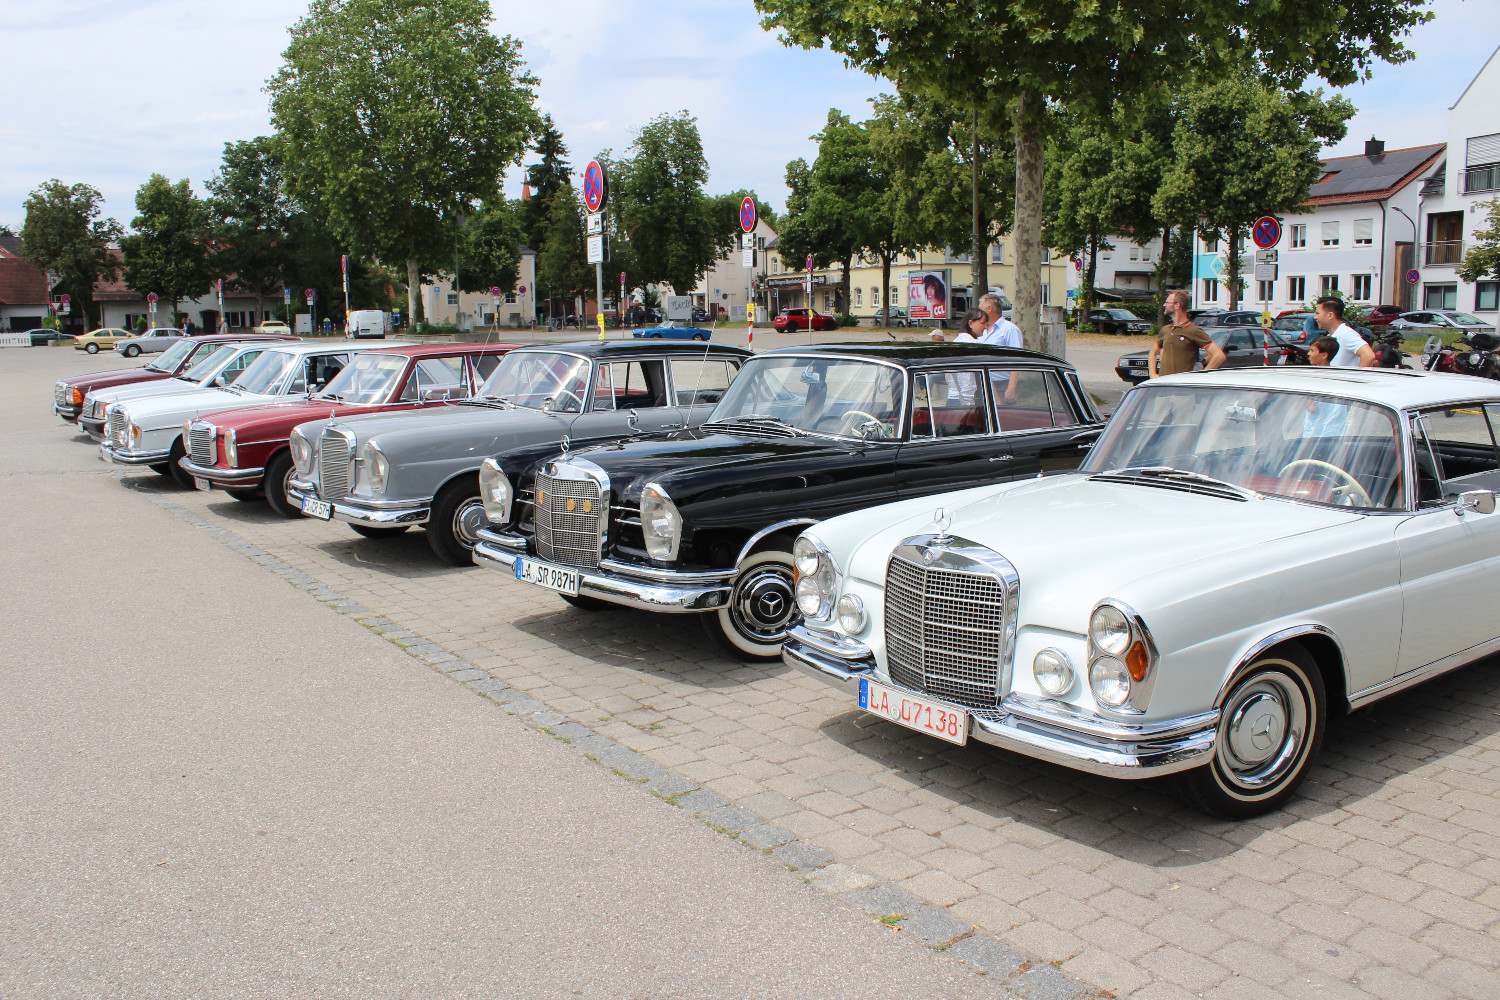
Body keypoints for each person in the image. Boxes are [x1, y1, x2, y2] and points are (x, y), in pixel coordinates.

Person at [1149, 290, 1225, 377]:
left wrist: (1202, 376)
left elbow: (1219, 355)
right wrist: (1152, 373)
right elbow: (1153, 352)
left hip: (1182, 387)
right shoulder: (1166, 329)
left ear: (1177, 305)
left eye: (1167, 302)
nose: (1164, 305)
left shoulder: (1193, 330)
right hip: (1164, 385)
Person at [1314, 297, 1375, 367]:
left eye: (1318, 313)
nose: (1315, 317)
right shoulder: (1334, 335)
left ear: (1330, 315)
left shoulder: (1347, 334)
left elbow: (1369, 356)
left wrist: (1359, 376)